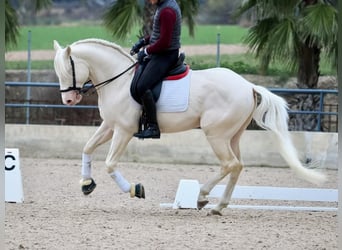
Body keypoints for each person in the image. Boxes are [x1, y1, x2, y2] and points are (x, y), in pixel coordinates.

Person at [130, 0, 181, 139]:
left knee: (142, 86)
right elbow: (158, 33)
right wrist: (142, 41)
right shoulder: (164, 6)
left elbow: (164, 42)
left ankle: (153, 127)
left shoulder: (167, 11)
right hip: (161, 53)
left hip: (165, 55)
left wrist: (146, 51)